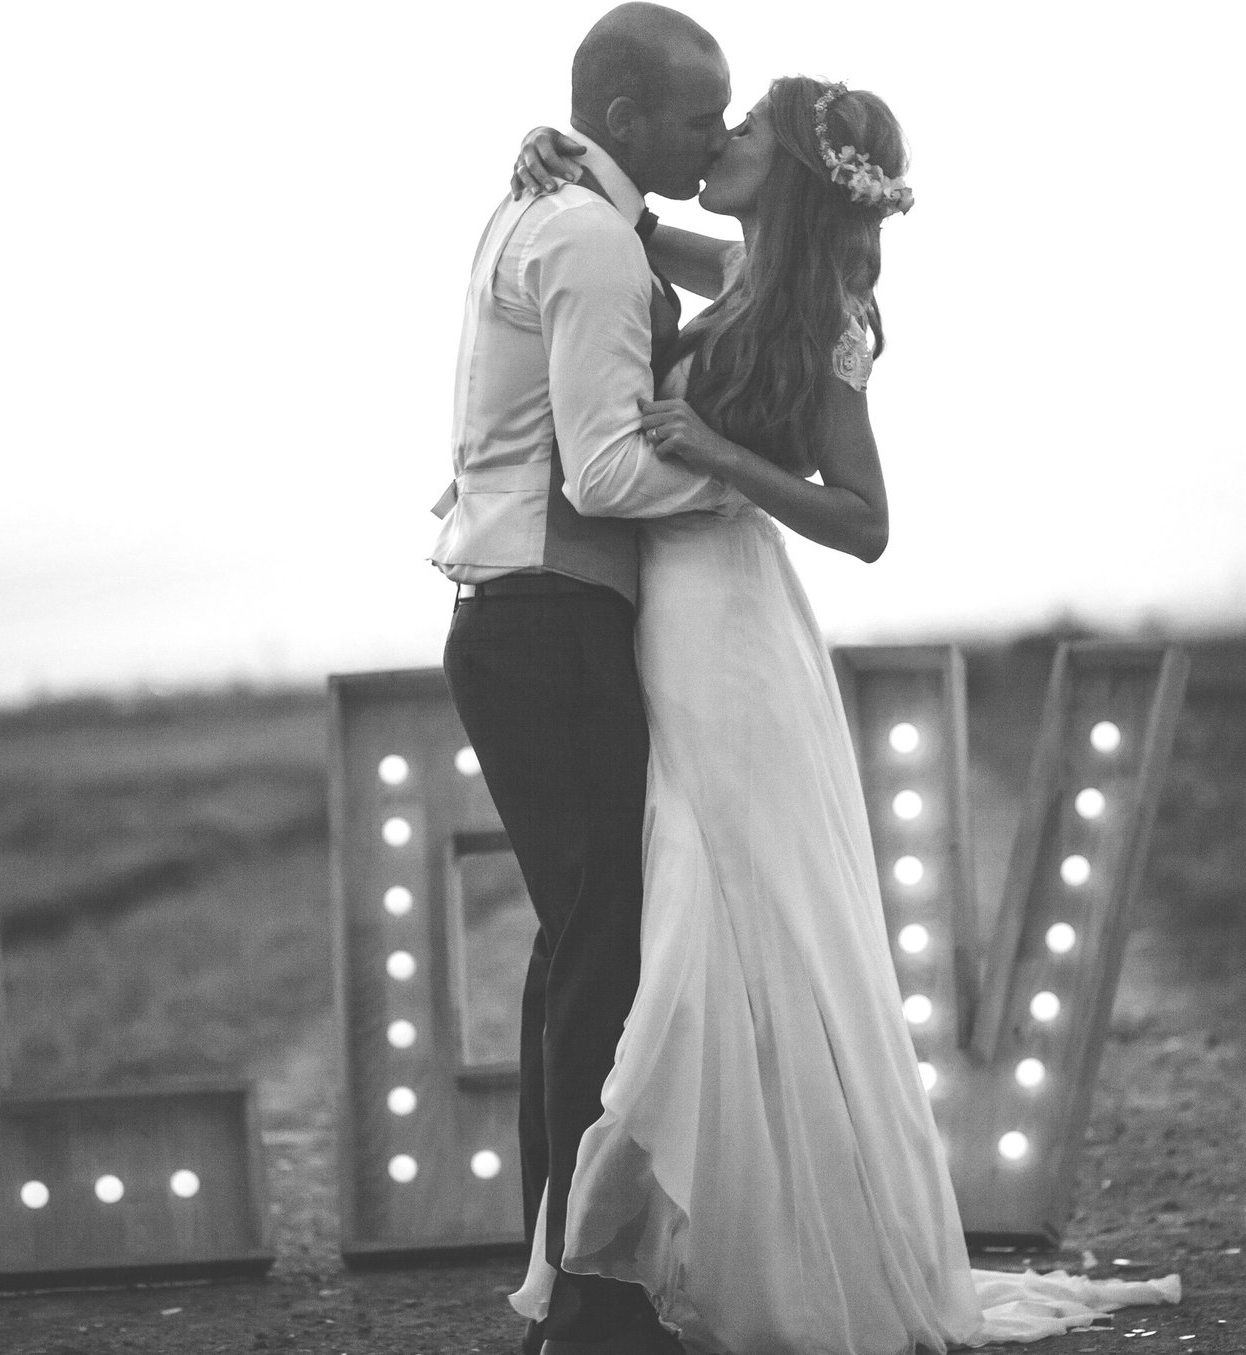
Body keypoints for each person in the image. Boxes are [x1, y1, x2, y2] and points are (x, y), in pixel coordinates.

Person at [501, 80, 1182, 1353]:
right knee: (696, 913)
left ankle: (698, 1245)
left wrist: (717, 452)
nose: (726, 138)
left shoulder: (827, 316)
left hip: (732, 630)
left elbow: (864, 522)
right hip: (668, 614)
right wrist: (555, 156)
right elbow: (632, 234)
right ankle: (696, 1238)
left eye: (748, 126)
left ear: (799, 172)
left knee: (725, 910)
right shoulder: (746, 271)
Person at [429, 2, 742, 1355]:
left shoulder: (579, 221)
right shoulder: (589, 242)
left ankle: (572, 1276)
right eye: (694, 114)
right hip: (550, 623)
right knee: (598, 950)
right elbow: (606, 469)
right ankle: (591, 1301)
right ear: (622, 117)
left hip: (535, 623)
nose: (715, 136)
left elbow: (748, 276)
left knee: (583, 948)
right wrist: (753, 483)